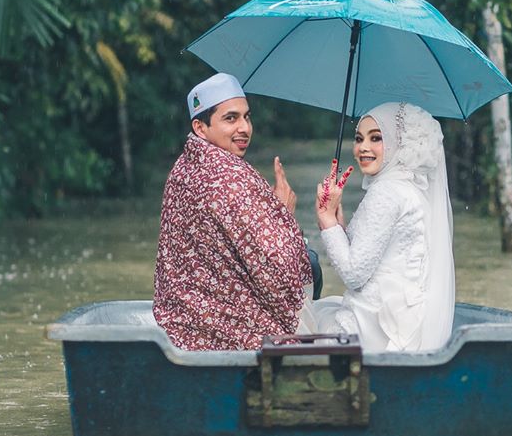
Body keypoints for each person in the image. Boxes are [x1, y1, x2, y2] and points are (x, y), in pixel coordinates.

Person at [153, 73, 312, 350]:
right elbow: (279, 274)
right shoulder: (228, 178)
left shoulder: (182, 168)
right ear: (200, 127)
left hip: (180, 323)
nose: (244, 128)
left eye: (247, 117)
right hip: (228, 330)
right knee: (313, 262)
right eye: (231, 118)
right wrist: (284, 217)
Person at [302, 102, 455, 352]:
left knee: (302, 316)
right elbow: (374, 254)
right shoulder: (410, 190)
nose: (363, 147)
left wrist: (327, 221)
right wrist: (337, 221)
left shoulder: (386, 193)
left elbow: (354, 273)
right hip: (402, 317)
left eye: (376, 138)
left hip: (373, 328)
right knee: (323, 307)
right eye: (359, 138)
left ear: (399, 145)